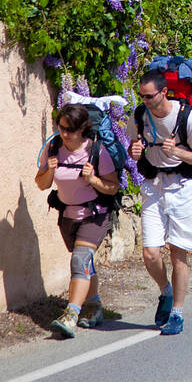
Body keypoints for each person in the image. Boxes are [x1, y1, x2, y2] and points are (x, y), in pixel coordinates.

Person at [129, 69, 192, 335]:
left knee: (178, 254)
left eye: (149, 96)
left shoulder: (188, 117)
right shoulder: (140, 115)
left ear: (164, 92)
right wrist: (135, 150)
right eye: (142, 95)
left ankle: (177, 312)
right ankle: (165, 291)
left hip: (183, 188)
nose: (145, 100)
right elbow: (134, 144)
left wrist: (176, 151)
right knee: (150, 253)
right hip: (153, 187)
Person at [34, 103, 121, 338]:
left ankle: (71, 314)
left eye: (70, 129)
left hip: (95, 215)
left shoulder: (97, 151)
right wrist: (50, 170)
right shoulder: (53, 148)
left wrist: (92, 179)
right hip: (68, 217)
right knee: (85, 262)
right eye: (61, 127)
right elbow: (41, 184)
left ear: (82, 129)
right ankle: (93, 306)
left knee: (80, 259)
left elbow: (113, 187)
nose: (64, 133)